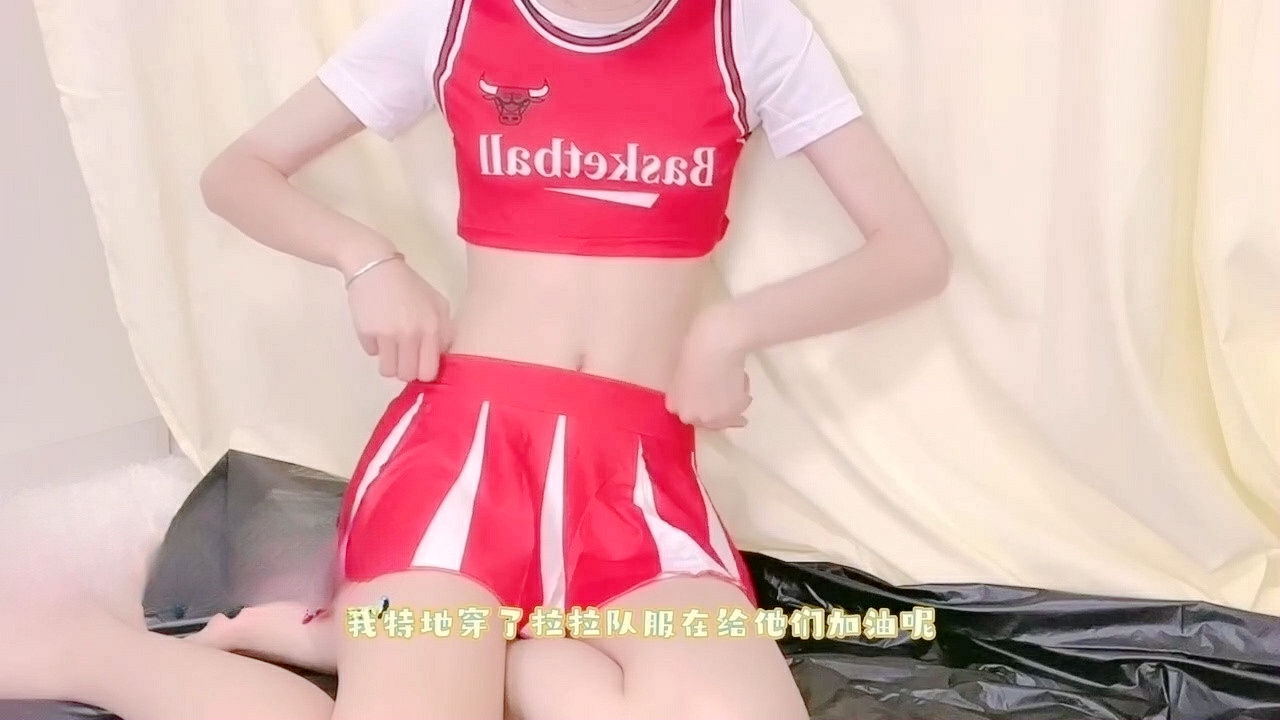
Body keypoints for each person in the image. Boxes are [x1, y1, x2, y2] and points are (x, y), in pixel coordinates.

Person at [0, 0, 949, 717]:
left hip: (637, 485)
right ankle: (99, 651)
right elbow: (236, 173)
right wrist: (366, 259)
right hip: (459, 461)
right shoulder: (453, 17)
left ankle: (485, 650)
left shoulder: (746, 27)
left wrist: (731, 329)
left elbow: (911, 250)